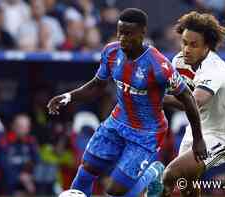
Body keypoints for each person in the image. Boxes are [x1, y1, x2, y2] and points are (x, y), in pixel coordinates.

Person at [47, 8, 206, 197]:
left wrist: (198, 139)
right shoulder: (111, 52)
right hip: (116, 123)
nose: (122, 38)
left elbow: (187, 98)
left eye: (129, 34)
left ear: (142, 33)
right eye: (120, 32)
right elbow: (97, 85)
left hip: (146, 133)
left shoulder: (159, 65)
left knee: (115, 191)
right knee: (87, 170)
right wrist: (69, 96)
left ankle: (154, 173)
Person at [161, 11, 225, 197]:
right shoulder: (177, 62)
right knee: (187, 187)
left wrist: (156, 98)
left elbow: (195, 101)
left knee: (170, 175)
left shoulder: (214, 68)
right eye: (184, 43)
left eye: (194, 45)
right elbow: (161, 88)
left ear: (207, 46)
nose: (186, 49)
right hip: (197, 129)